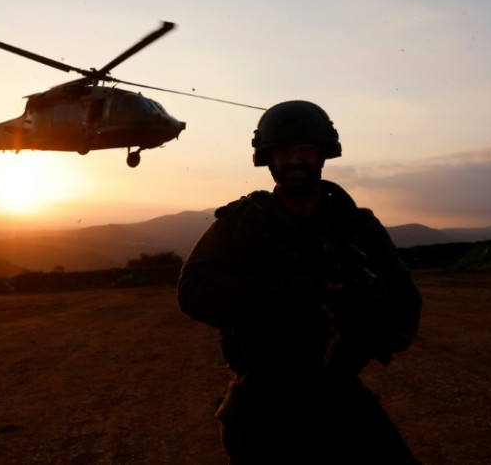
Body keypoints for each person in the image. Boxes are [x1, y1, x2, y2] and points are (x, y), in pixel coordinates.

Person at [177, 100, 422, 464]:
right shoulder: (242, 223)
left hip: (338, 392)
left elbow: (405, 304)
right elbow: (193, 289)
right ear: (268, 159)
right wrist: (281, 298)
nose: (294, 159)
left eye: (304, 149)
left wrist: (360, 315)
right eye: (283, 151)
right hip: (264, 396)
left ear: (323, 154)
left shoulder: (357, 225)